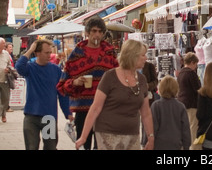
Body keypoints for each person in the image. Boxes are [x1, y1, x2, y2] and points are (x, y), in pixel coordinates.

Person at [75, 39, 154, 150]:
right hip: (107, 134)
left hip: (132, 135)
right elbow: (95, 108)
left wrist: (151, 137)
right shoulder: (110, 76)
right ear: (133, 56)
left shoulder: (141, 80)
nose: (146, 58)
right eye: (143, 55)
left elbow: (146, 113)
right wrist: (83, 137)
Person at [57, 17, 119, 150]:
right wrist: (75, 82)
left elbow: (118, 78)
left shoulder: (110, 53)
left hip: (105, 108)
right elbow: (62, 87)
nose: (97, 34)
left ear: (103, 33)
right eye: (94, 31)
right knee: (84, 146)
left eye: (100, 31)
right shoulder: (76, 55)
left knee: (102, 146)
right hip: (83, 109)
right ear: (87, 33)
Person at [15, 40, 73, 150]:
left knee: (50, 147)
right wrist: (30, 49)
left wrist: (68, 113)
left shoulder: (55, 70)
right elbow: (19, 66)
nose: (49, 55)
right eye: (46, 53)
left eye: (50, 52)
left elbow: (62, 93)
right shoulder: (30, 68)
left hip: (49, 116)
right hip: (31, 115)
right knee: (31, 147)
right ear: (37, 53)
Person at [151, 75, 191, 150]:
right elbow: (185, 129)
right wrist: (186, 146)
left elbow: (153, 127)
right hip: (176, 144)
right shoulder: (181, 106)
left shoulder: (156, 106)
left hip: (159, 144)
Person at [177, 52, 201, 150]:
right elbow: (198, 89)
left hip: (182, 103)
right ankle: (193, 148)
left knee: (185, 127)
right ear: (192, 62)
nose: (196, 67)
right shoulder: (191, 73)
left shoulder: (181, 73)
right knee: (193, 128)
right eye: (195, 64)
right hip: (191, 104)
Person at [140, 60, 158, 147]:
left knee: (146, 118)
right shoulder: (130, 67)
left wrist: (148, 86)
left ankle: (145, 141)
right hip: (132, 96)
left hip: (147, 96)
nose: (144, 57)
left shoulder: (149, 66)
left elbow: (155, 81)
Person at [0, 38, 12, 123]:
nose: (4, 45)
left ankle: (3, 114)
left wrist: (8, 68)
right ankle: (2, 115)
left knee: (5, 99)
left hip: (4, 80)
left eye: (4, 44)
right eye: (3, 44)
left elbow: (10, 64)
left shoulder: (6, 54)